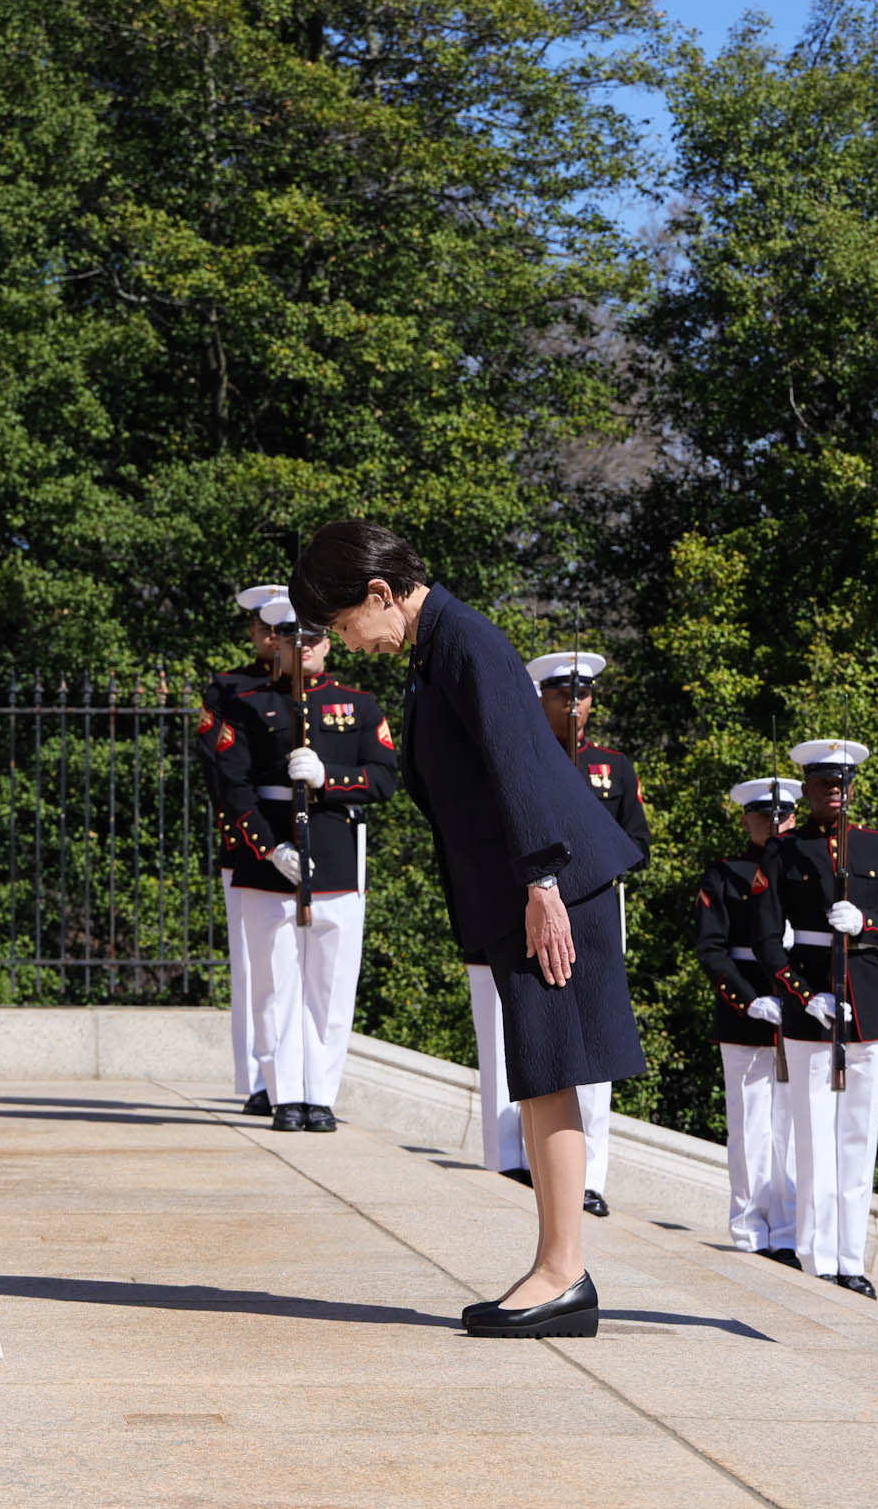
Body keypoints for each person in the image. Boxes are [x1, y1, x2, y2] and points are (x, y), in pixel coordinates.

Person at [290, 522, 644, 1338]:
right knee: (543, 1069)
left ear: (381, 594)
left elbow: (519, 764)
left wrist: (543, 883)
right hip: (532, 883)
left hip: (549, 884)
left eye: (346, 625)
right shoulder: (438, 642)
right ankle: (558, 1267)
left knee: (553, 1066)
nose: (350, 643)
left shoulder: (464, 641)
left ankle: (563, 1272)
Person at [210, 593, 398, 1132]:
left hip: (336, 857)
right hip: (267, 857)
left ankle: (321, 1095)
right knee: (274, 985)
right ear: (280, 644)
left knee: (332, 988)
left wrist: (329, 777)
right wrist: (269, 847)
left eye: (315, 637)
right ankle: (286, 1094)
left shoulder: (358, 705)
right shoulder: (247, 704)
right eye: (296, 637)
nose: (307, 646)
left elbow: (384, 776)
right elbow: (233, 786)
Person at [752, 738, 878, 1298]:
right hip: (812, 1009)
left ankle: (851, 1258)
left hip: (869, 1008)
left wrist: (867, 924)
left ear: (854, 787)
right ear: (807, 787)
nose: (835, 790)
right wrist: (803, 995)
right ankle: (816, 1256)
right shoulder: (782, 851)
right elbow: (764, 939)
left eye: (843, 782)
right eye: (824, 782)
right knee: (813, 1139)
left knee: (857, 1139)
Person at [493, 650, 652, 1217]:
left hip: (592, 908)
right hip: (536, 910)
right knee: (540, 1040)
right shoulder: (524, 757)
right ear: (543, 699)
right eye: (563, 695)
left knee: (596, 1048)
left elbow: (638, 841)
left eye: (582, 695)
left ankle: (592, 1177)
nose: (575, 705)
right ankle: (530, 1162)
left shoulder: (613, 766)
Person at [698, 777, 802, 1262]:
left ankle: (786, 1230)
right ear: (746, 820)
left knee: (792, 1130)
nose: (774, 824)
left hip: (801, 1012)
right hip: (747, 1011)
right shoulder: (724, 874)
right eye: (764, 816)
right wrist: (747, 1000)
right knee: (749, 1125)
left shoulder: (808, 871)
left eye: (782, 817)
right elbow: (712, 950)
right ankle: (749, 1227)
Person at [200, 584, 285, 1114]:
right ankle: (257, 1077)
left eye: (282, 629)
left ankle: (291, 1078)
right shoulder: (229, 688)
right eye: (264, 628)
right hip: (250, 843)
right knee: (252, 966)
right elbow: (220, 768)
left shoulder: (315, 691)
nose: (272, 638)